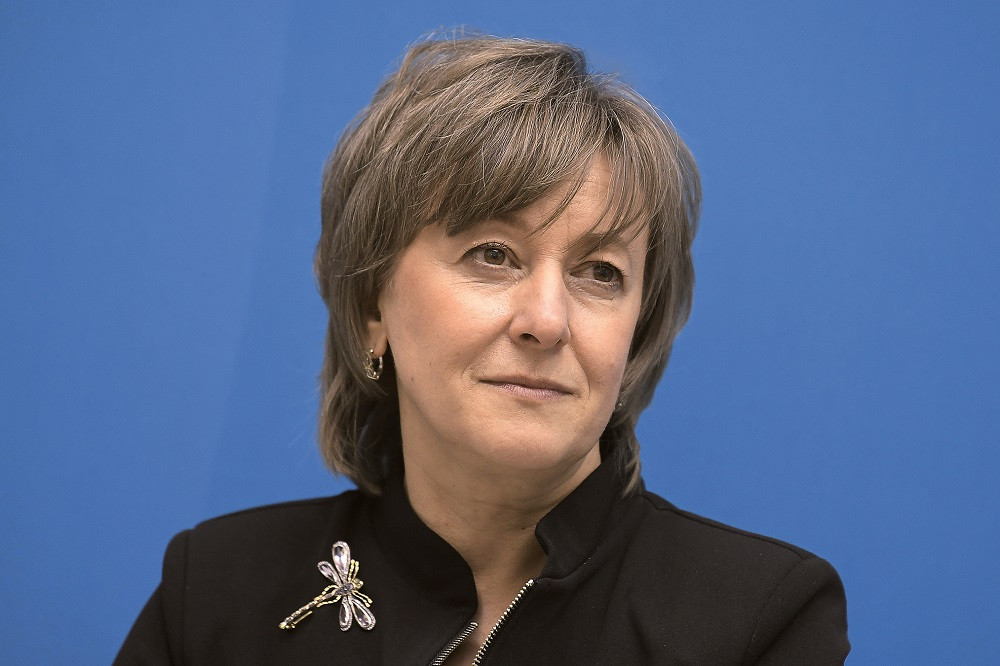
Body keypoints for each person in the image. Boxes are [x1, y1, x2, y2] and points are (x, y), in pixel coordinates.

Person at [116, 33, 849, 664]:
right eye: (493, 254)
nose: (547, 321)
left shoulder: (759, 622)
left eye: (600, 273)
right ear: (371, 306)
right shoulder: (214, 594)